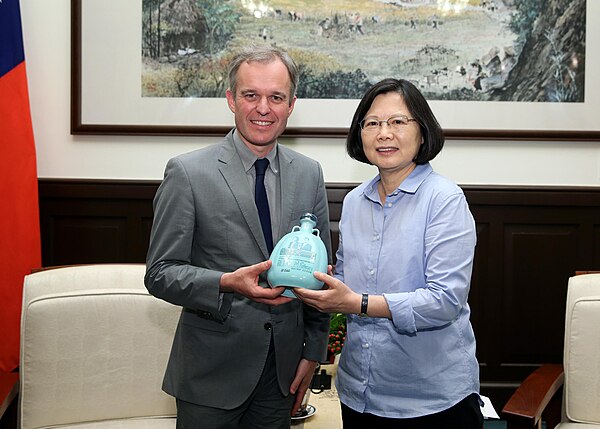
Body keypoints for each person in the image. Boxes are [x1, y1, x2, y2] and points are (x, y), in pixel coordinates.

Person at [145, 45, 332, 429]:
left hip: (282, 374)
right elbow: (160, 273)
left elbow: (321, 277)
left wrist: (313, 352)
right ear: (231, 99)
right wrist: (226, 282)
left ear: (291, 105)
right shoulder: (188, 173)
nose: (263, 108)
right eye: (251, 95)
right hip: (212, 374)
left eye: (276, 97)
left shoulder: (309, 173)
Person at [294, 78, 483, 429]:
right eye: (373, 123)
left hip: (431, 401)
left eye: (398, 122)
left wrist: (358, 303)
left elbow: (444, 301)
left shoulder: (444, 199)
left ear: (422, 132)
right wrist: (316, 280)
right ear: (360, 134)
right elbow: (348, 282)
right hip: (359, 393)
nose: (384, 133)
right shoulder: (354, 201)